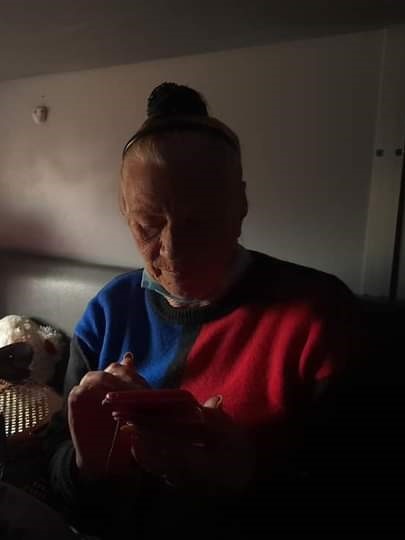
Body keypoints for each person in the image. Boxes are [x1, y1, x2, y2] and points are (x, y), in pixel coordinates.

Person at [48, 82, 359, 538]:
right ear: (123, 210)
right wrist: (86, 465)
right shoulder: (108, 311)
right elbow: (59, 475)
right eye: (148, 224)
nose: (172, 252)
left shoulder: (319, 317)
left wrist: (245, 479)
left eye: (201, 221)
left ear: (241, 204)